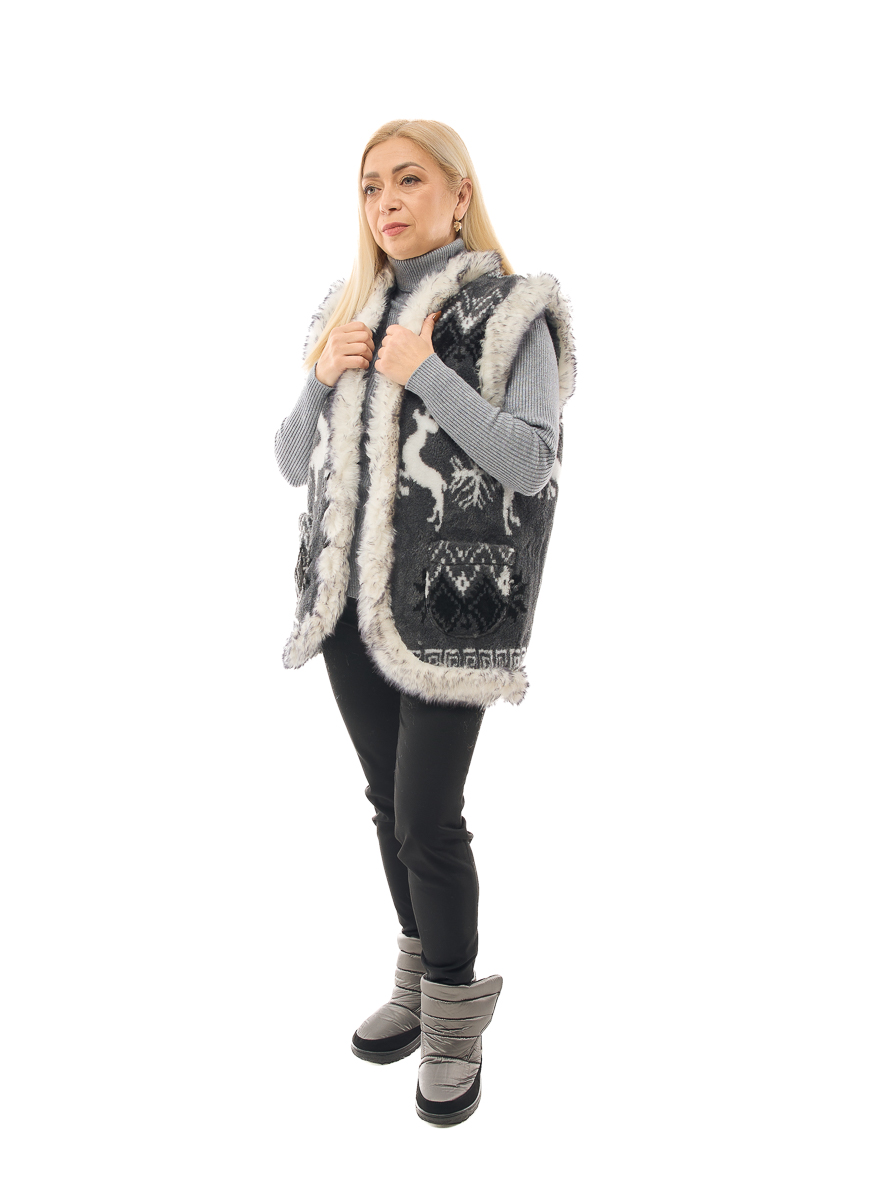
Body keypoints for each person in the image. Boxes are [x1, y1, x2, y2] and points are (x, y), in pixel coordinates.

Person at [273, 119, 576, 1125]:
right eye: (370, 186)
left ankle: (453, 1022)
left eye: (408, 180)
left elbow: (530, 461)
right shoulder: (346, 309)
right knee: (384, 804)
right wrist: (324, 372)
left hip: (454, 605)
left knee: (427, 819)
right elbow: (289, 460)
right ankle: (419, 980)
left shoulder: (513, 313)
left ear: (459, 194)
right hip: (345, 604)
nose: (387, 202)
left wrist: (423, 371)